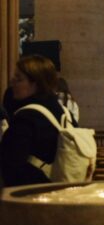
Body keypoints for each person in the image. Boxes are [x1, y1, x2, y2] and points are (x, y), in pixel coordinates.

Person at [0, 55, 77, 187]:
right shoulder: (65, 113)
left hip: (31, 196)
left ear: (35, 84)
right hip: (62, 191)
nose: (12, 82)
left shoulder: (26, 118)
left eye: (18, 78)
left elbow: (9, 164)